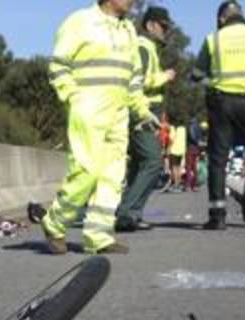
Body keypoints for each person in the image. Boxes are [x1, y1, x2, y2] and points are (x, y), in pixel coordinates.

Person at [41, 0, 158, 255]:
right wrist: (72, 96)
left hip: (118, 113)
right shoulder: (80, 21)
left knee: (113, 177)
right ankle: (55, 222)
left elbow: (134, 78)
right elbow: (58, 65)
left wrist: (142, 110)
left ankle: (99, 236)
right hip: (88, 109)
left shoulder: (128, 30)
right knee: (86, 170)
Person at [192, 1, 245, 230]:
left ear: (221, 19)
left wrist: (211, 82)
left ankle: (218, 216)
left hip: (221, 104)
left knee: (218, 160)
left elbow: (197, 74)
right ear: (240, 15)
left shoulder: (213, 39)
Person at [114, 6, 178, 231]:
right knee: (153, 162)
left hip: (145, 114)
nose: (166, 31)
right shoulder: (143, 46)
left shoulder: (148, 47)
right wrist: (165, 76)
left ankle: (130, 213)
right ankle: (127, 213)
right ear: (150, 25)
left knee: (139, 166)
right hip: (141, 114)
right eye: (163, 26)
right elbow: (138, 81)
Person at [168, 122, 188, 191]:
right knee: (179, 167)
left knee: (174, 167)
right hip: (182, 150)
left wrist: (168, 148)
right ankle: (179, 184)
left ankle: (176, 185)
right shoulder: (183, 128)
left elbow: (171, 139)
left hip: (174, 150)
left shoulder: (173, 128)